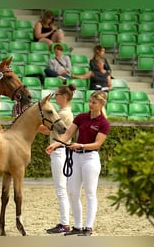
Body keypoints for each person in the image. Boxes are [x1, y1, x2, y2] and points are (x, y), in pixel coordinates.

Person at [45, 90, 110, 236]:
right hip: (76, 157)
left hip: (90, 158)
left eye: (94, 102)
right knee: (73, 192)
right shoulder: (81, 117)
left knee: (90, 193)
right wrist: (55, 144)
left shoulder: (103, 123)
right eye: (90, 101)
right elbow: (68, 134)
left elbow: (97, 144)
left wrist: (80, 146)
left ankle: (88, 227)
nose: (90, 104)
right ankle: (78, 226)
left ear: (101, 104)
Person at [39, 84, 76, 234]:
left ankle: (65, 223)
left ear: (64, 97)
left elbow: (49, 131)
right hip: (60, 150)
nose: (55, 98)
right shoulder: (63, 112)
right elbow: (47, 130)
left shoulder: (64, 114)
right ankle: (64, 222)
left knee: (61, 189)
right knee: (61, 189)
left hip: (60, 150)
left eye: (57, 95)